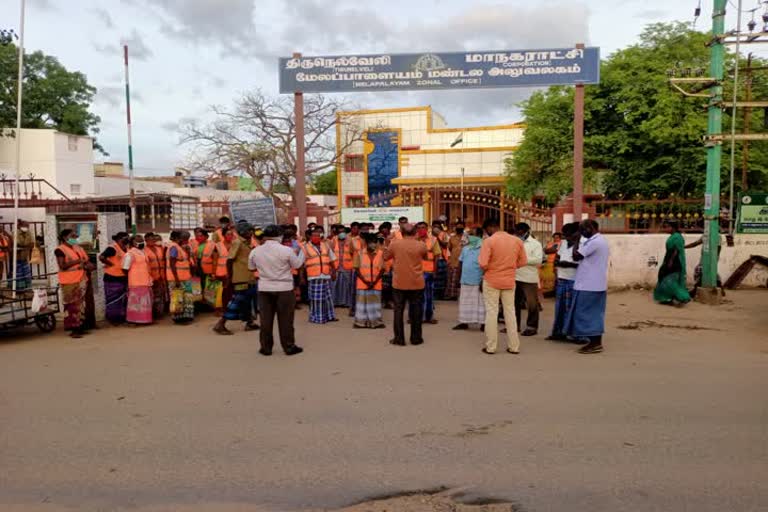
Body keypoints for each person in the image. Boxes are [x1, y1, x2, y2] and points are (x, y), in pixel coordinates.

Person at [249, 224, 305, 356]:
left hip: (264, 287)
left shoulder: (256, 251)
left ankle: (266, 348)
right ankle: (289, 346)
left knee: (265, 320)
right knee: (286, 320)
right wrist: (302, 253)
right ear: (279, 236)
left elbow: (251, 268)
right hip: (284, 288)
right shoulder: (286, 250)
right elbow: (297, 265)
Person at [478, 218, 527, 355]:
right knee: (510, 313)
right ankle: (514, 346)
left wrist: (493, 268)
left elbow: (482, 263)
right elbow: (523, 262)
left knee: (492, 313)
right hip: (509, 280)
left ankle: (491, 347)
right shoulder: (517, 241)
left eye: (486, 230)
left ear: (490, 227)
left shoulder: (489, 241)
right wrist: (509, 267)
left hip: (491, 280)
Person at [564, 219, 610, 354]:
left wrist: (576, 240)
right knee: (590, 314)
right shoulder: (597, 241)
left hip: (590, 285)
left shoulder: (595, 242)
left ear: (590, 228)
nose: (582, 233)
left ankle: (596, 343)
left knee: (588, 315)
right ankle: (594, 342)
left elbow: (576, 256)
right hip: (590, 284)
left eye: (583, 230)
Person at [384, 223, 427, 346]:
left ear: (401, 233)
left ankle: (399, 339)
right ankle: (416, 338)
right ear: (415, 233)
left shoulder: (394, 244)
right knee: (416, 311)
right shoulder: (421, 245)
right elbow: (425, 256)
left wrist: (386, 245)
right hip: (417, 282)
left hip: (399, 283)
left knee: (398, 311)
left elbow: (386, 257)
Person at [213, 223, 260, 335]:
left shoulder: (247, 243)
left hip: (249, 276)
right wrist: (229, 276)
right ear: (243, 231)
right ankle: (221, 324)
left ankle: (249, 322)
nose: (251, 233)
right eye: (249, 231)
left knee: (248, 300)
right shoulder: (238, 242)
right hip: (240, 277)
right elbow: (230, 260)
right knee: (237, 300)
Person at [546, 223, 580, 341]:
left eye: (568, 235)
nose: (566, 237)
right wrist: (557, 263)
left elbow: (584, 265)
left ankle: (573, 334)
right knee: (559, 308)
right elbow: (557, 258)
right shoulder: (564, 244)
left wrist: (568, 264)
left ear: (575, 234)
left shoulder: (582, 245)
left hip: (574, 280)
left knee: (571, 308)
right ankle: (559, 333)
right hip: (561, 278)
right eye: (565, 235)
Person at [55, 229, 90, 338]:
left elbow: (86, 260)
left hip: (80, 278)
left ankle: (79, 326)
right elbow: (63, 266)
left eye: (75, 236)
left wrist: (86, 264)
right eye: (73, 236)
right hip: (69, 281)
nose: (75, 237)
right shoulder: (60, 250)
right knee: (71, 305)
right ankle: (73, 328)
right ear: (65, 237)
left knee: (80, 305)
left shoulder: (77, 248)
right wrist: (78, 261)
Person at [302, 226, 338, 324]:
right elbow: (301, 264)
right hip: (314, 277)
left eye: (318, 235)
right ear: (310, 237)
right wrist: (302, 277)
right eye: (314, 235)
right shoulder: (305, 247)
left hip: (326, 276)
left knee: (328, 297)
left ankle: (330, 316)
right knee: (316, 299)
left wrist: (334, 272)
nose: (316, 237)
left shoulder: (325, 246)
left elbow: (332, 259)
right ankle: (318, 317)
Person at [514, 223, 544, 336]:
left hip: (529, 277)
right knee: (513, 303)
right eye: (517, 231)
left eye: (521, 231)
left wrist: (522, 260)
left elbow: (538, 260)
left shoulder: (535, 244)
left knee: (532, 304)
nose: (519, 233)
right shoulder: (514, 242)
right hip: (515, 275)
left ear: (527, 231)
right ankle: (514, 326)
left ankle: (532, 327)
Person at [653, 220, 692, 306]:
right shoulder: (672, 236)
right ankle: (666, 298)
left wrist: (670, 261)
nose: (665, 229)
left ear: (673, 227)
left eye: (667, 227)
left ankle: (683, 297)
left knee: (670, 280)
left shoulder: (677, 237)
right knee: (663, 277)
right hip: (669, 259)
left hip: (675, 261)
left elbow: (676, 250)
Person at [453, 228, 485, 331]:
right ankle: (464, 322)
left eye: (473, 234)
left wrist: (483, 280)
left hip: (478, 280)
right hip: (465, 280)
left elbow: (486, 266)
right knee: (464, 302)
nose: (470, 236)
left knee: (481, 303)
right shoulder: (465, 248)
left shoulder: (484, 248)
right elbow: (460, 263)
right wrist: (458, 278)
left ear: (479, 236)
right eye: (470, 234)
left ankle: (483, 324)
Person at [354, 233, 386, 329]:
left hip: (376, 283)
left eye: (375, 242)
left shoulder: (381, 253)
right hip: (362, 283)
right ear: (367, 243)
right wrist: (366, 281)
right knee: (361, 305)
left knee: (376, 304)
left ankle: (376, 322)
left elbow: (383, 269)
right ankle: (360, 323)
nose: (374, 244)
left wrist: (375, 281)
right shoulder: (359, 253)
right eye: (371, 242)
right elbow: (356, 269)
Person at [99, 232, 129, 325]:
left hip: (122, 277)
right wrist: (110, 264)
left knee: (122, 300)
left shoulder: (126, 248)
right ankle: (113, 319)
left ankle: (121, 317)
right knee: (113, 300)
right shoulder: (112, 248)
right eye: (126, 238)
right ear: (120, 239)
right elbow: (101, 257)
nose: (127, 239)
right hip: (112, 278)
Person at [122, 235, 153, 325]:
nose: (141, 242)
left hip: (145, 281)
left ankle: (145, 319)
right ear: (133, 243)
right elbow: (125, 268)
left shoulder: (142, 252)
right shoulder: (130, 254)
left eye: (142, 240)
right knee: (135, 302)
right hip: (135, 282)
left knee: (145, 302)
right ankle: (134, 320)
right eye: (139, 240)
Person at [416, 221, 443, 324]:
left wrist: (435, 271)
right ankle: (417, 317)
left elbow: (436, 257)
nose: (421, 230)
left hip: (429, 272)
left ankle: (429, 317)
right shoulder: (413, 240)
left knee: (429, 296)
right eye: (419, 228)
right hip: (416, 272)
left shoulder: (433, 240)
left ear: (427, 229)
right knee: (416, 296)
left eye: (423, 227)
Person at [166, 230, 195, 324]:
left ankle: (186, 317)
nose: (184, 240)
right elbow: (172, 263)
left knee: (186, 298)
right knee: (178, 299)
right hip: (177, 278)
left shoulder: (179, 247)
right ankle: (179, 318)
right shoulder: (174, 247)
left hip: (185, 277)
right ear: (176, 238)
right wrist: (176, 279)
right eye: (182, 238)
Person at [144, 233, 166, 319]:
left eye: (153, 239)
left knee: (160, 296)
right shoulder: (144, 250)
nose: (152, 241)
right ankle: (152, 314)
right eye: (149, 239)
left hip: (161, 276)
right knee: (152, 296)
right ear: (146, 240)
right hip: (151, 277)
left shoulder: (159, 249)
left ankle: (159, 313)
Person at [332, 225, 354, 308]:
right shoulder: (333, 240)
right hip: (336, 266)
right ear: (337, 233)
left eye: (343, 232)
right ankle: (335, 302)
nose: (342, 233)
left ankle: (345, 303)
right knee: (335, 285)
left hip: (347, 267)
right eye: (340, 232)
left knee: (346, 286)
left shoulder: (350, 240)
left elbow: (353, 253)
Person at [346, 222, 364, 317]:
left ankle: (362, 309)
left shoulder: (369, 240)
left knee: (363, 290)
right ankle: (352, 309)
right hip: (355, 268)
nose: (356, 230)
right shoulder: (353, 241)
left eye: (358, 229)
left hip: (367, 269)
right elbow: (352, 253)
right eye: (354, 228)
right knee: (353, 289)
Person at [10, 220, 35, 290]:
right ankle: (19, 290)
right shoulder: (15, 232)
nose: (26, 227)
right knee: (18, 275)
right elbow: (18, 243)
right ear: (20, 226)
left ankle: (27, 289)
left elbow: (32, 243)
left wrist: (25, 246)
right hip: (17, 258)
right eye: (25, 226)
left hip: (25, 257)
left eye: (27, 226)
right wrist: (26, 246)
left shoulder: (28, 232)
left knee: (27, 274)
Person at [444, 220, 466, 300]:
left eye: (461, 227)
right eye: (458, 227)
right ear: (455, 228)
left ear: (463, 228)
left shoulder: (467, 238)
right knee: (453, 279)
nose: (459, 228)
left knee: (462, 279)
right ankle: (452, 295)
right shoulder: (452, 238)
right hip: (454, 261)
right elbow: (449, 248)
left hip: (465, 261)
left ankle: (463, 296)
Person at [378, 222, 395, 308]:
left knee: (391, 286)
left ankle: (389, 302)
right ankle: (383, 301)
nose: (384, 231)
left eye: (386, 230)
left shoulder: (393, 239)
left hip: (391, 266)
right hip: (381, 266)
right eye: (382, 230)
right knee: (382, 285)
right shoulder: (378, 239)